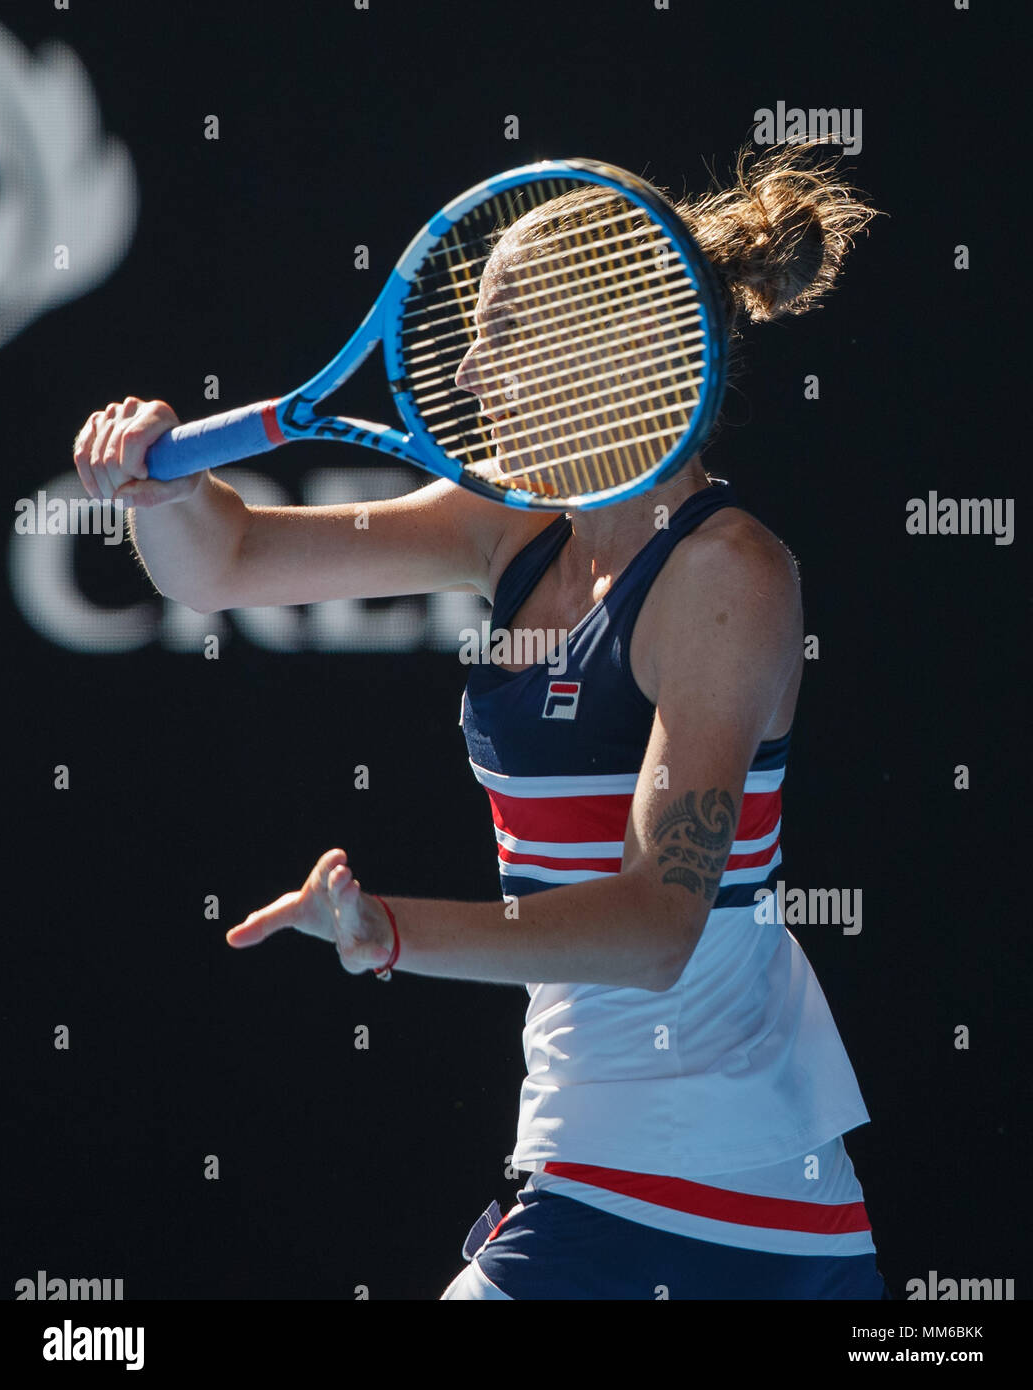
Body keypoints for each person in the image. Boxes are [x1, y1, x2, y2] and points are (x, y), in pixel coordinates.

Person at [73, 142, 887, 1300]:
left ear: (603, 348)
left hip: (729, 1212)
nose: (461, 374)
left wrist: (386, 930)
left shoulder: (726, 574)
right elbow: (232, 560)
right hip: (594, 1174)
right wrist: (163, 496)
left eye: (500, 332)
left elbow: (657, 927)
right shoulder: (504, 524)